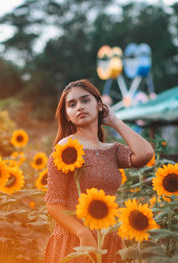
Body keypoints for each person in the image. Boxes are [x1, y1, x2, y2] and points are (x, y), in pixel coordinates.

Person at [44, 79, 154, 263]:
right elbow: (53, 204)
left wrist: (115, 121)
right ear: (67, 114)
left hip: (108, 239)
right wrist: (83, 233)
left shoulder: (112, 150)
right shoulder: (65, 150)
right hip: (75, 240)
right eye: (72, 104)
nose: (80, 107)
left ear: (100, 105)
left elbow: (146, 153)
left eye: (85, 100)